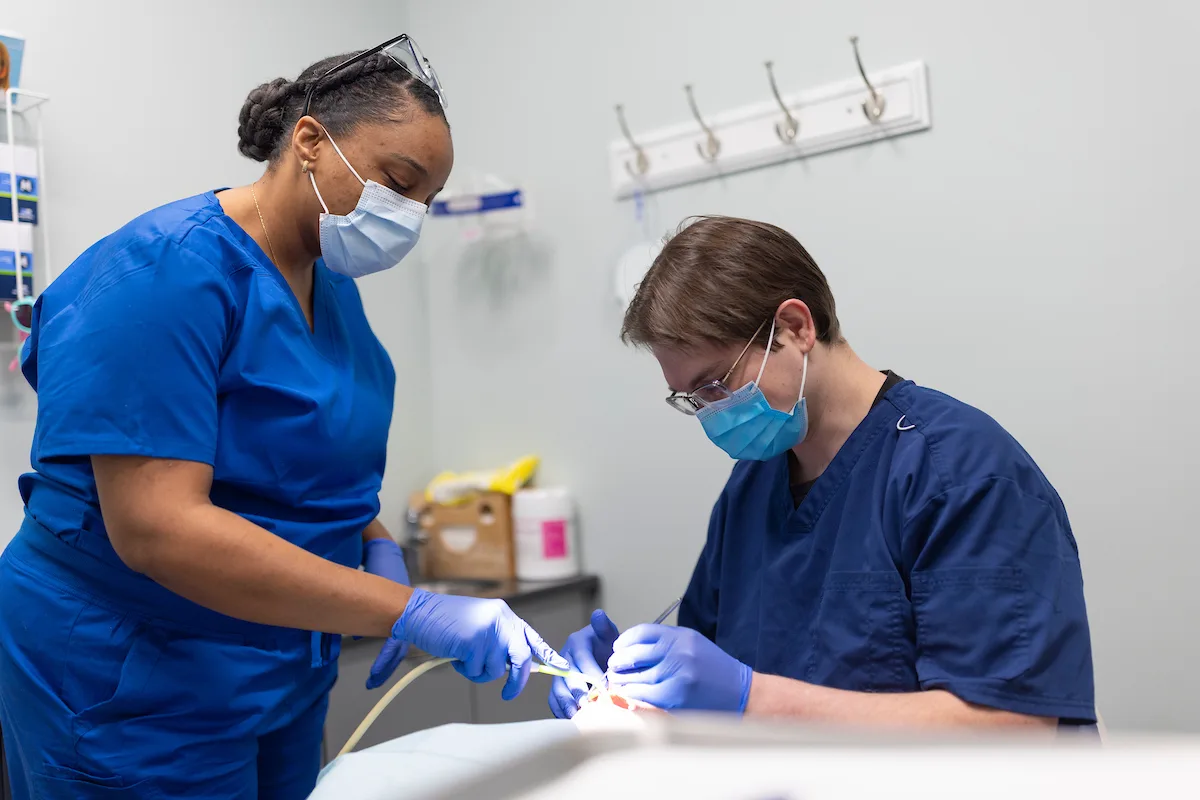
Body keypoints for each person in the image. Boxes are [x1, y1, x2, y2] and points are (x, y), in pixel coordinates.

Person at [0, 35, 565, 800]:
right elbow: (157, 528)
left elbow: (303, 464)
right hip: (130, 674)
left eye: (424, 203)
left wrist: (374, 541)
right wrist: (410, 609)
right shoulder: (166, 271)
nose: (407, 216)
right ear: (309, 140)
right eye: (398, 182)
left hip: (277, 668)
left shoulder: (331, 293)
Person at [550, 216, 1095, 730]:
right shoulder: (754, 488)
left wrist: (748, 696)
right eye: (690, 397)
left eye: (716, 383)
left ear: (794, 326)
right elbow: (708, 678)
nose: (711, 411)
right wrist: (626, 688)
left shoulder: (962, 475)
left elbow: (1009, 728)